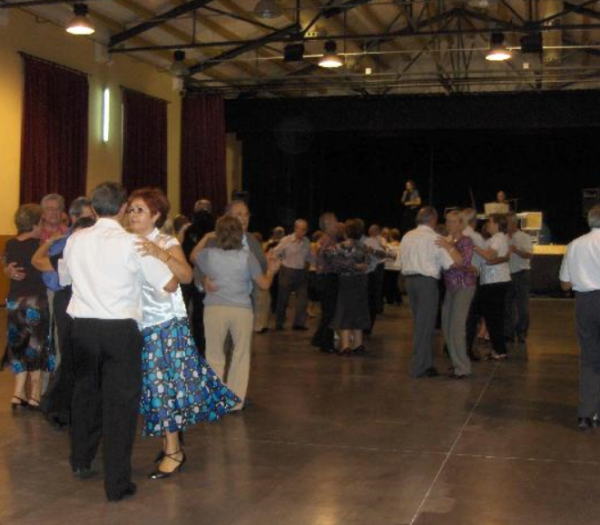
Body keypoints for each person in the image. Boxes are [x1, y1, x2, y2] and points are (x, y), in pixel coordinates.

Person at [62, 182, 177, 502]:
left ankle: (80, 459)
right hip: (120, 331)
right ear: (123, 207)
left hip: (82, 328)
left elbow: (65, 279)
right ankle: (117, 483)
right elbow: (168, 284)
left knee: (85, 395)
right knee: (120, 406)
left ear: (94, 209)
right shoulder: (134, 243)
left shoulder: (76, 240)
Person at [127, 188, 240, 479]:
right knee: (156, 387)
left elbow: (187, 277)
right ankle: (169, 441)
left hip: (166, 324)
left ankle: (174, 450)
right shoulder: (127, 242)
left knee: (163, 386)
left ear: (155, 215)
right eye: (131, 209)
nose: (133, 214)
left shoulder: (165, 241)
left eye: (140, 209)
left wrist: (160, 254)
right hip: (141, 323)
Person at [195, 216, 280, 409]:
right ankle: (234, 402)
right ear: (240, 234)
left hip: (214, 308)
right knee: (241, 355)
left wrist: (205, 238)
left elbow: (193, 256)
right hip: (241, 309)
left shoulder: (208, 254)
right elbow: (264, 285)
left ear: (217, 233)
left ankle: (214, 399)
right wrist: (273, 271)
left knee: (214, 355)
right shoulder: (247, 257)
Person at [33, 213, 96, 428]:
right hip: (67, 304)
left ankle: (65, 405)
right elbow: (37, 261)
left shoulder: (92, 253)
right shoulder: (65, 252)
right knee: (69, 355)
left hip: (85, 306)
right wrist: (49, 243)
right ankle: (57, 406)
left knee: (79, 358)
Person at [398, 207, 461, 378]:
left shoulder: (407, 236)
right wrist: (452, 248)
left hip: (409, 282)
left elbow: (399, 262)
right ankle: (418, 367)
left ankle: (426, 364)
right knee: (425, 326)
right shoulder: (434, 238)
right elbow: (451, 264)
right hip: (426, 283)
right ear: (433, 220)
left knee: (420, 325)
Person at [2, 204, 53, 410]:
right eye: (41, 221)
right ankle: (34, 395)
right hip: (35, 301)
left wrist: (6, 270)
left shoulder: (10, 244)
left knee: (18, 346)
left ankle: (17, 393)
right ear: (34, 224)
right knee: (37, 346)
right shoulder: (39, 246)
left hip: (14, 302)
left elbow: (6, 266)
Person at [560, 205, 600, 430]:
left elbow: (565, 283)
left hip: (584, 303)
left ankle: (585, 413)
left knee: (589, 358)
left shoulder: (574, 245)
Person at [327, 219, 372, 356]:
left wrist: (351, 266)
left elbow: (335, 266)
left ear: (346, 232)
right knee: (359, 310)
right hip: (361, 281)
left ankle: (345, 346)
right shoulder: (364, 247)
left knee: (345, 310)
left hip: (346, 281)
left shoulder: (339, 247)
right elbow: (367, 264)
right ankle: (358, 344)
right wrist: (359, 267)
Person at [439, 211, 476, 379]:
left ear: (461, 224)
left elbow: (464, 263)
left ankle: (463, 367)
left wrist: (448, 248)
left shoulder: (466, 241)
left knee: (457, 327)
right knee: (446, 326)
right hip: (450, 287)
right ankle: (456, 364)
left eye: (454, 221)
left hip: (464, 286)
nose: (450, 224)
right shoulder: (447, 240)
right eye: (447, 221)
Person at [473, 214, 511, 361]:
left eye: (490, 222)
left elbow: (489, 255)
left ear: (496, 224)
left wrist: (474, 247)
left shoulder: (498, 238)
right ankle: (498, 349)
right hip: (494, 281)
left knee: (493, 317)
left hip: (495, 282)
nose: (488, 224)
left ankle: (500, 350)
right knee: (493, 317)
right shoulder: (496, 238)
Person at [181, 207, 216, 352]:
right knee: (204, 313)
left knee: (194, 313)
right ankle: (206, 344)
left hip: (190, 277)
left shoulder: (189, 234)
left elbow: (185, 253)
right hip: (207, 276)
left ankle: (196, 344)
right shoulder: (212, 235)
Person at [273, 219, 315, 331]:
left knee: (303, 298)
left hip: (301, 272)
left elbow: (310, 257)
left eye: (305, 229)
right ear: (295, 228)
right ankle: (279, 323)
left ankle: (299, 323)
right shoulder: (286, 240)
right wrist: (278, 263)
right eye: (300, 229)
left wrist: (317, 265)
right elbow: (275, 252)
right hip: (287, 271)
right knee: (283, 299)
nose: (302, 232)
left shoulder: (306, 241)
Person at [310, 213, 340, 354]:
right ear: (327, 225)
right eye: (335, 223)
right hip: (328, 278)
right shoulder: (328, 241)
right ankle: (326, 344)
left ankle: (318, 338)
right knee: (330, 312)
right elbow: (334, 261)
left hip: (326, 277)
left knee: (328, 311)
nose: (337, 225)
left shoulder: (328, 239)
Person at [463, 208, 487, 361]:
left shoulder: (456, 235)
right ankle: (467, 349)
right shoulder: (475, 237)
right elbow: (486, 259)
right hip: (472, 278)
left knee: (457, 314)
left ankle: (450, 346)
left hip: (456, 279)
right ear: (474, 221)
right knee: (471, 316)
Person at [505, 212, 533, 344]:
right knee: (507, 305)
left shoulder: (524, 237)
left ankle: (521, 332)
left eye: (509, 223)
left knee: (522, 305)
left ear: (515, 223)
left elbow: (529, 255)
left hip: (521, 273)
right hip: (507, 274)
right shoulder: (503, 238)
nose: (507, 226)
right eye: (506, 223)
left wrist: (516, 250)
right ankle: (508, 332)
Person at [363, 224, 387, 328]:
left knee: (376, 290)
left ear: (377, 230)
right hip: (370, 268)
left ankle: (377, 308)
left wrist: (373, 250)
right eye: (369, 230)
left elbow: (383, 252)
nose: (370, 232)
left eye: (372, 230)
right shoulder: (368, 240)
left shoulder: (380, 240)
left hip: (377, 266)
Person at [383, 229, 402, 306]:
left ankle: (391, 299)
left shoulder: (388, 245)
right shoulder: (401, 245)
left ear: (391, 237)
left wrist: (389, 254)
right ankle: (397, 299)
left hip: (388, 267)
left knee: (388, 284)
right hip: (396, 267)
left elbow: (386, 254)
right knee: (393, 283)